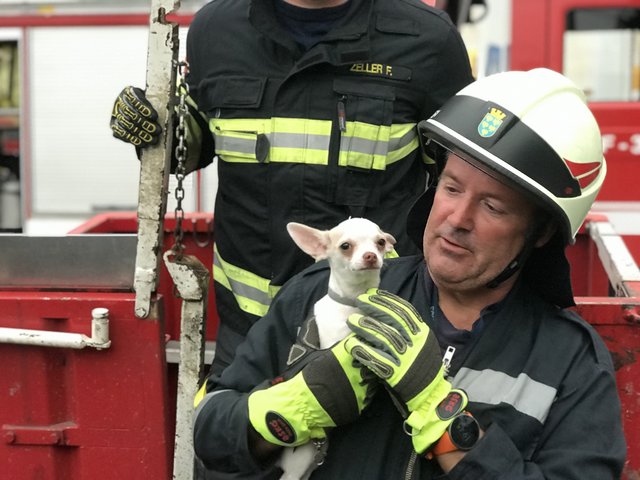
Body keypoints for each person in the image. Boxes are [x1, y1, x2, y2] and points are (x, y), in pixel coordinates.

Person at [191, 68, 627, 479]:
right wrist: (289, 409)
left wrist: (445, 419)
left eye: (492, 206)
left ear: (542, 231)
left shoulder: (570, 362)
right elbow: (210, 432)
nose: (457, 217)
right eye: (451, 187)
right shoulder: (322, 295)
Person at [110, 0, 474, 377]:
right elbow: (196, 143)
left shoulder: (427, 40)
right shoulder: (215, 31)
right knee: (231, 434)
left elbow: (461, 186)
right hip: (250, 336)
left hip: (374, 335)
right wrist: (160, 132)